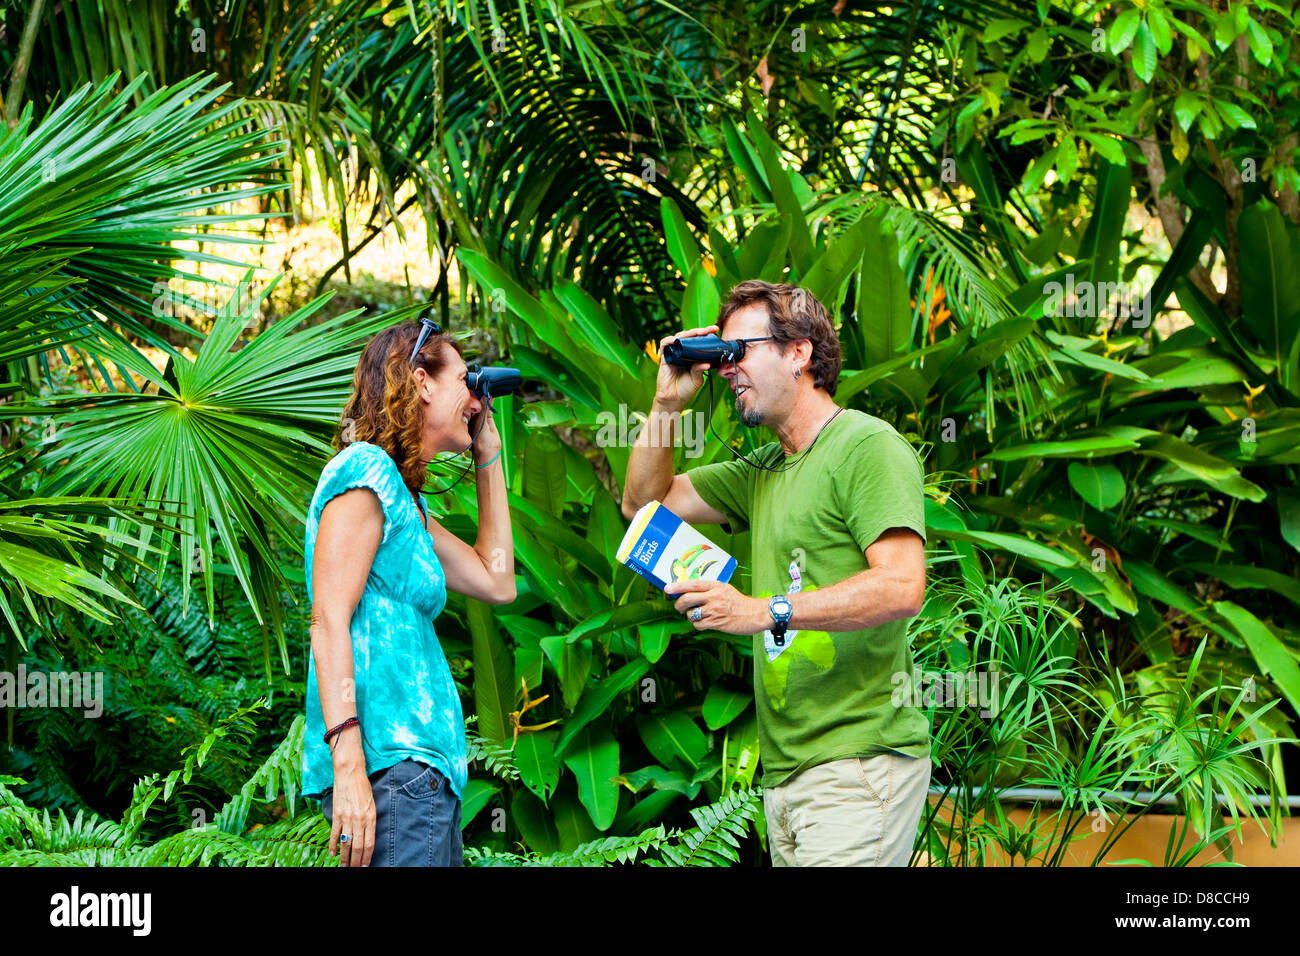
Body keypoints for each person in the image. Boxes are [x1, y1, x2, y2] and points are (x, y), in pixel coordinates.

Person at [622, 280, 931, 867]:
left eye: (739, 351)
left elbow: (901, 585)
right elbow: (644, 504)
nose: (725, 369)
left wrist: (763, 611)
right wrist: (666, 405)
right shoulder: (764, 469)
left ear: (798, 353)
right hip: (788, 772)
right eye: (721, 356)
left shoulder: (865, 445)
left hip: (858, 759)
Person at [304, 319, 515, 867]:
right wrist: (349, 764)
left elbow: (498, 581)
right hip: (389, 771)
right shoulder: (364, 470)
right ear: (422, 383)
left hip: (424, 775)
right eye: (467, 382)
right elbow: (327, 618)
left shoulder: (408, 506)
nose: (477, 397)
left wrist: (487, 454)